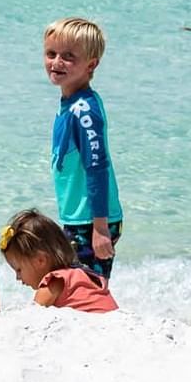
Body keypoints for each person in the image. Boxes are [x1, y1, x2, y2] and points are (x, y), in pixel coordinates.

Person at [45, 16, 124, 278]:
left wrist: (100, 227)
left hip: (92, 220)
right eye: (51, 53)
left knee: (90, 287)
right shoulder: (70, 103)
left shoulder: (84, 109)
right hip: (78, 217)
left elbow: (97, 167)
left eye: (68, 56)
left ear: (91, 65)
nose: (56, 62)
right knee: (75, 281)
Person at [0, 209, 118, 313]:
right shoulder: (80, 273)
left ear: (40, 260)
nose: (18, 278)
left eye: (19, 270)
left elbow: (32, 315)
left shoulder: (53, 282)